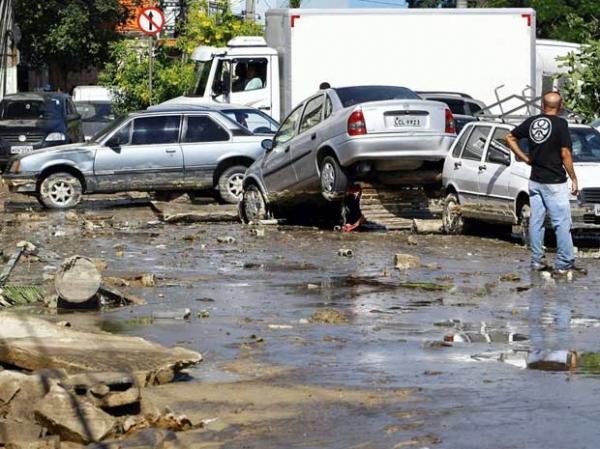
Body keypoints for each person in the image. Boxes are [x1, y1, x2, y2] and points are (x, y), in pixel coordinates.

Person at [506, 91, 586, 275]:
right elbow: (565, 153)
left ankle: (537, 261)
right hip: (554, 181)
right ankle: (564, 263)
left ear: (542, 105)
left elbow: (509, 137)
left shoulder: (532, 121)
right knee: (562, 223)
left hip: (535, 180)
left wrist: (525, 158)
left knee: (536, 221)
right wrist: (573, 178)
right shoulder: (560, 123)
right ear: (561, 105)